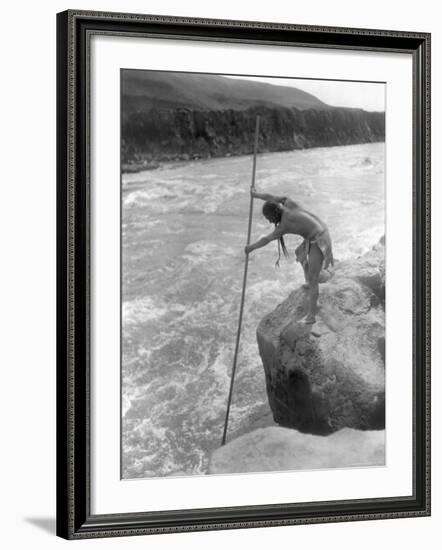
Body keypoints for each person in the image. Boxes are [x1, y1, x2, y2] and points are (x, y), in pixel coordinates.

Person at [245, 190, 333, 324]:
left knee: (313, 277)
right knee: (300, 255)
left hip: (320, 239)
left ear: (274, 215)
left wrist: (251, 247)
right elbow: (270, 196)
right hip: (320, 230)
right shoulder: (288, 202)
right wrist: (256, 194)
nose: (269, 222)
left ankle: (312, 314)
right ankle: (309, 284)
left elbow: (266, 239)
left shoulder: (284, 226)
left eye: (268, 218)